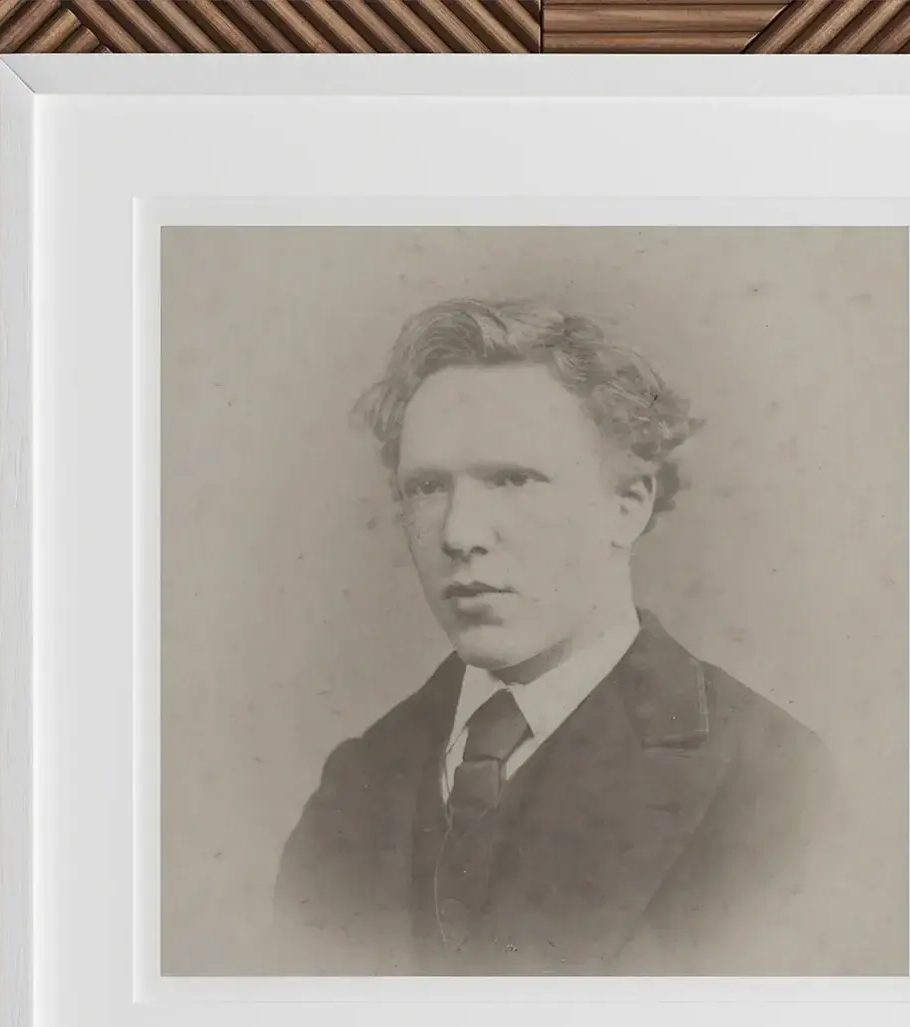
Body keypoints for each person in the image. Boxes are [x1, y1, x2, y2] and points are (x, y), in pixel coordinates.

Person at [273, 299, 839, 975]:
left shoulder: (768, 781)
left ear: (627, 505)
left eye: (512, 480)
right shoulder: (357, 783)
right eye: (427, 488)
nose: (460, 533)